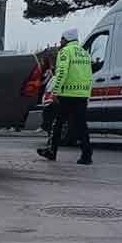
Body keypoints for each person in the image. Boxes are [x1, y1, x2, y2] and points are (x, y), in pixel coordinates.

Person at [37, 28, 93, 165]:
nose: (60, 42)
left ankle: (52, 151)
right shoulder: (85, 53)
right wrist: (88, 93)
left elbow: (62, 72)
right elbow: (89, 75)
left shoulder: (65, 52)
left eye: (62, 39)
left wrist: (56, 91)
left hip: (67, 94)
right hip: (82, 94)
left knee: (57, 123)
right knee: (81, 125)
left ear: (66, 39)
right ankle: (87, 154)